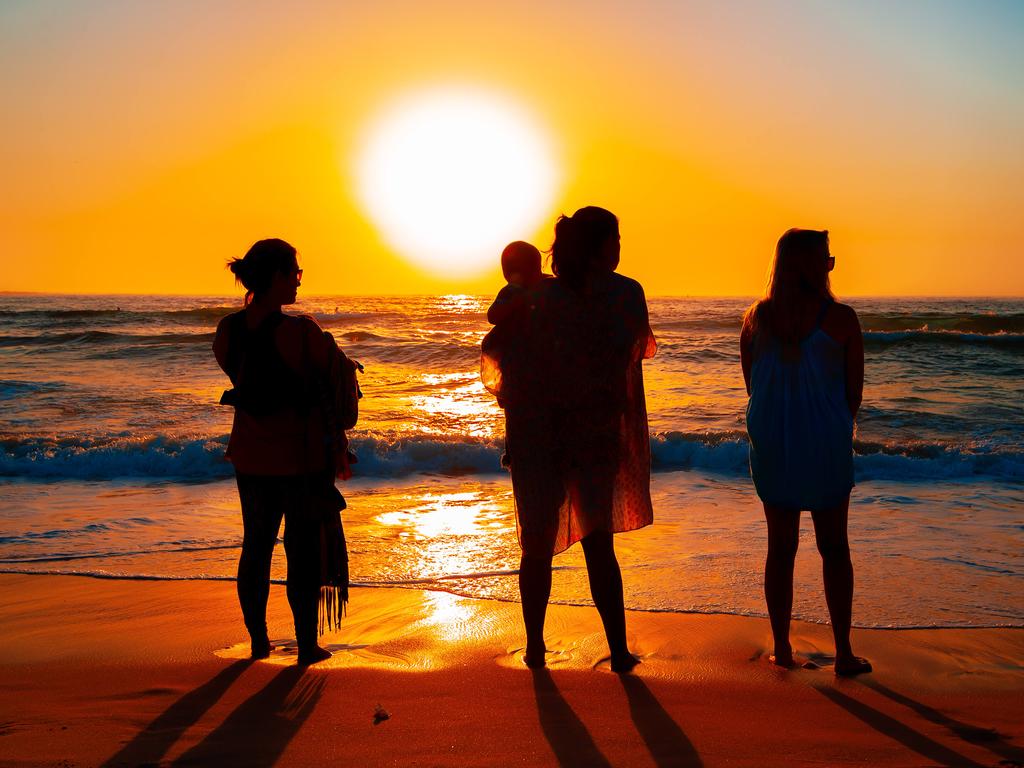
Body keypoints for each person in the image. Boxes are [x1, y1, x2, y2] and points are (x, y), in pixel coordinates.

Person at [487, 207, 656, 672]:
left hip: (537, 433)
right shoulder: (626, 294)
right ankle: (618, 651)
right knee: (599, 544)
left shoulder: (539, 295)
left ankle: (536, 647)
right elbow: (633, 349)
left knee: (535, 543)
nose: (620, 247)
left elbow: (498, 349)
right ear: (599, 246)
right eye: (615, 239)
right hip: (595, 433)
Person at [740, 228, 871, 677]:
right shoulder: (842, 320)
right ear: (812, 267)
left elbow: (752, 386)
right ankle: (845, 652)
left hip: (773, 442)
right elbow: (853, 393)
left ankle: (781, 647)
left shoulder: (756, 319)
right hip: (824, 442)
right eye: (828, 260)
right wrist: (829, 424)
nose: (831, 267)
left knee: (781, 548)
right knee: (834, 547)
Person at [213, 238, 349, 665]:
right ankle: (307, 646)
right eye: (294, 272)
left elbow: (237, 373)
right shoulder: (302, 332)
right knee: (302, 549)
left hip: (250, 455)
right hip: (298, 459)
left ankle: (258, 642)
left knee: (256, 546)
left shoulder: (227, 331)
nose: (297, 281)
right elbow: (340, 384)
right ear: (275, 277)